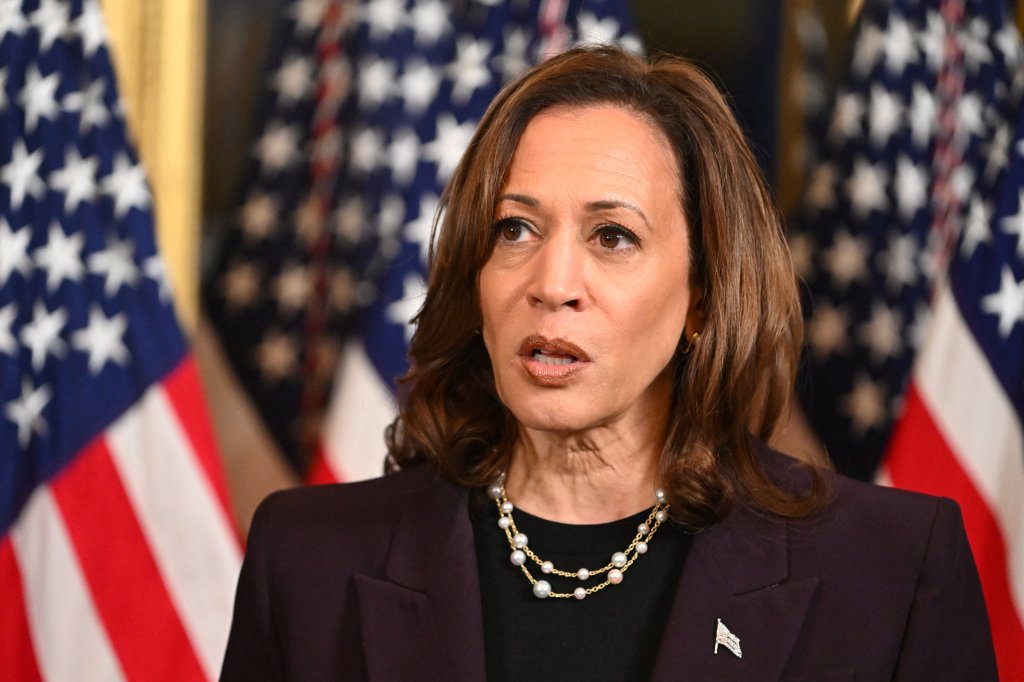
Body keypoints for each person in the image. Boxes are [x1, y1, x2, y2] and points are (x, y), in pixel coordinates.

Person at [220, 46, 996, 681]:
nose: (552, 285)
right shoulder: (308, 559)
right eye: (515, 230)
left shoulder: (891, 570)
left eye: (612, 237)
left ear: (702, 297)